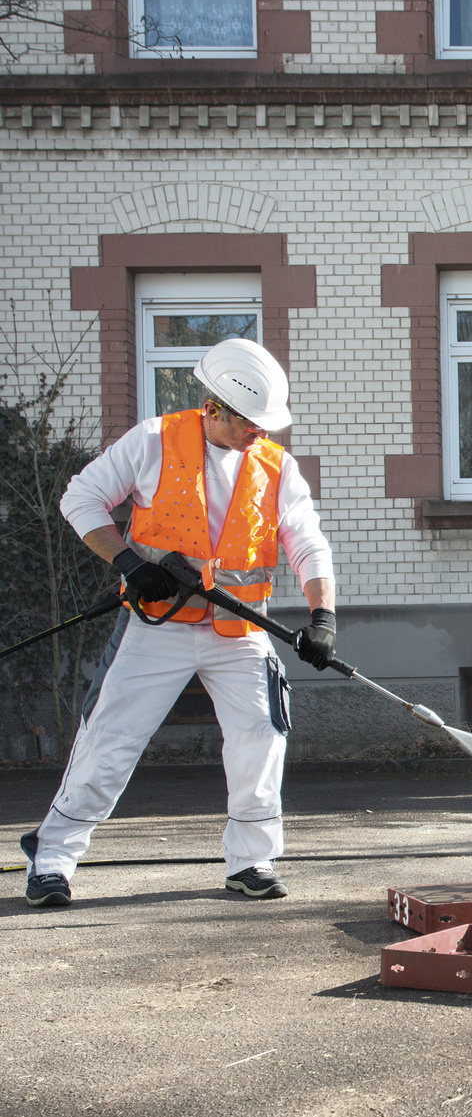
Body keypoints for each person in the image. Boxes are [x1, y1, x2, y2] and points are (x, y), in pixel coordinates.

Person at [21, 338, 336, 908]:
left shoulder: (275, 467)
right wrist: (129, 565)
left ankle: (252, 861)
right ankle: (52, 857)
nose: (260, 433)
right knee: (110, 742)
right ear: (215, 407)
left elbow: (308, 542)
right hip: (155, 625)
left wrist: (323, 617)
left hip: (240, 633)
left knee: (260, 740)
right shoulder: (151, 442)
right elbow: (81, 499)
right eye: (251, 421)